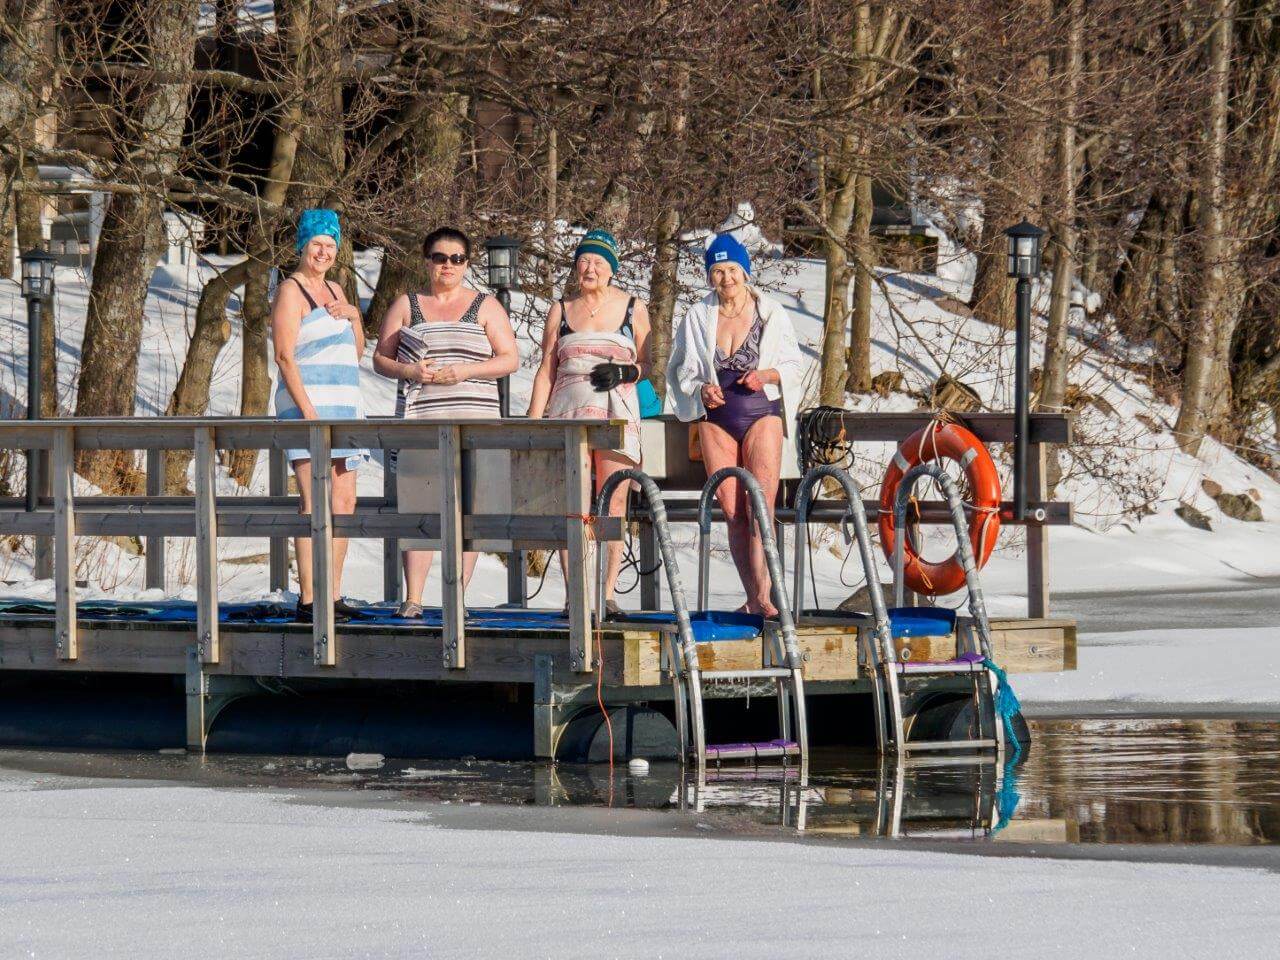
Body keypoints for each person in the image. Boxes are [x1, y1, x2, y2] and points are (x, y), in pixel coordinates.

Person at [373, 226, 519, 618]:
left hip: (476, 424)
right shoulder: (408, 304)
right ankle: (414, 598)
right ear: (427, 261)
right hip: (422, 422)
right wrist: (411, 371)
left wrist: (466, 371)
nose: (448, 265)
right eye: (440, 257)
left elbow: (510, 359)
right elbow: (380, 359)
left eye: (456, 258)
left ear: (467, 263)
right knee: (420, 511)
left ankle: (457, 598)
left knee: (470, 512)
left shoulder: (486, 305)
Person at [667, 232, 802, 616]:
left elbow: (795, 366)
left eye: (731, 270)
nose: (726, 279)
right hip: (718, 417)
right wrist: (700, 390)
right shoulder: (698, 315)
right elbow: (679, 370)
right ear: (709, 275)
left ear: (745, 271)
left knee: (760, 506)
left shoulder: (769, 312)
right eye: (717, 271)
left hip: (761, 412)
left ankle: (768, 593)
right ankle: (754, 596)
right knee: (732, 511)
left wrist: (767, 374)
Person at [527, 229, 650, 616]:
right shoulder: (561, 308)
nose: (589, 268)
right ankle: (574, 594)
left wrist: (625, 373)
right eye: (583, 261)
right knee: (572, 503)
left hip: (616, 412)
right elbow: (546, 369)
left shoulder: (633, 307)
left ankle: (609, 593)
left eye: (598, 262)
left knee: (613, 500)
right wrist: (533, 423)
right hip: (568, 412)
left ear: (611, 270)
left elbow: (647, 365)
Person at [271, 208, 368, 623]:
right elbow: (283, 355)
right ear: (302, 245)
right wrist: (309, 413)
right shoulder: (291, 291)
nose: (324, 252)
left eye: (331, 245)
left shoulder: (337, 288)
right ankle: (310, 598)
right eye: (317, 244)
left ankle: (334, 592)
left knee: (344, 500)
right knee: (315, 501)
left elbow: (358, 350)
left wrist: (355, 316)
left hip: (345, 408)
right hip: (309, 408)